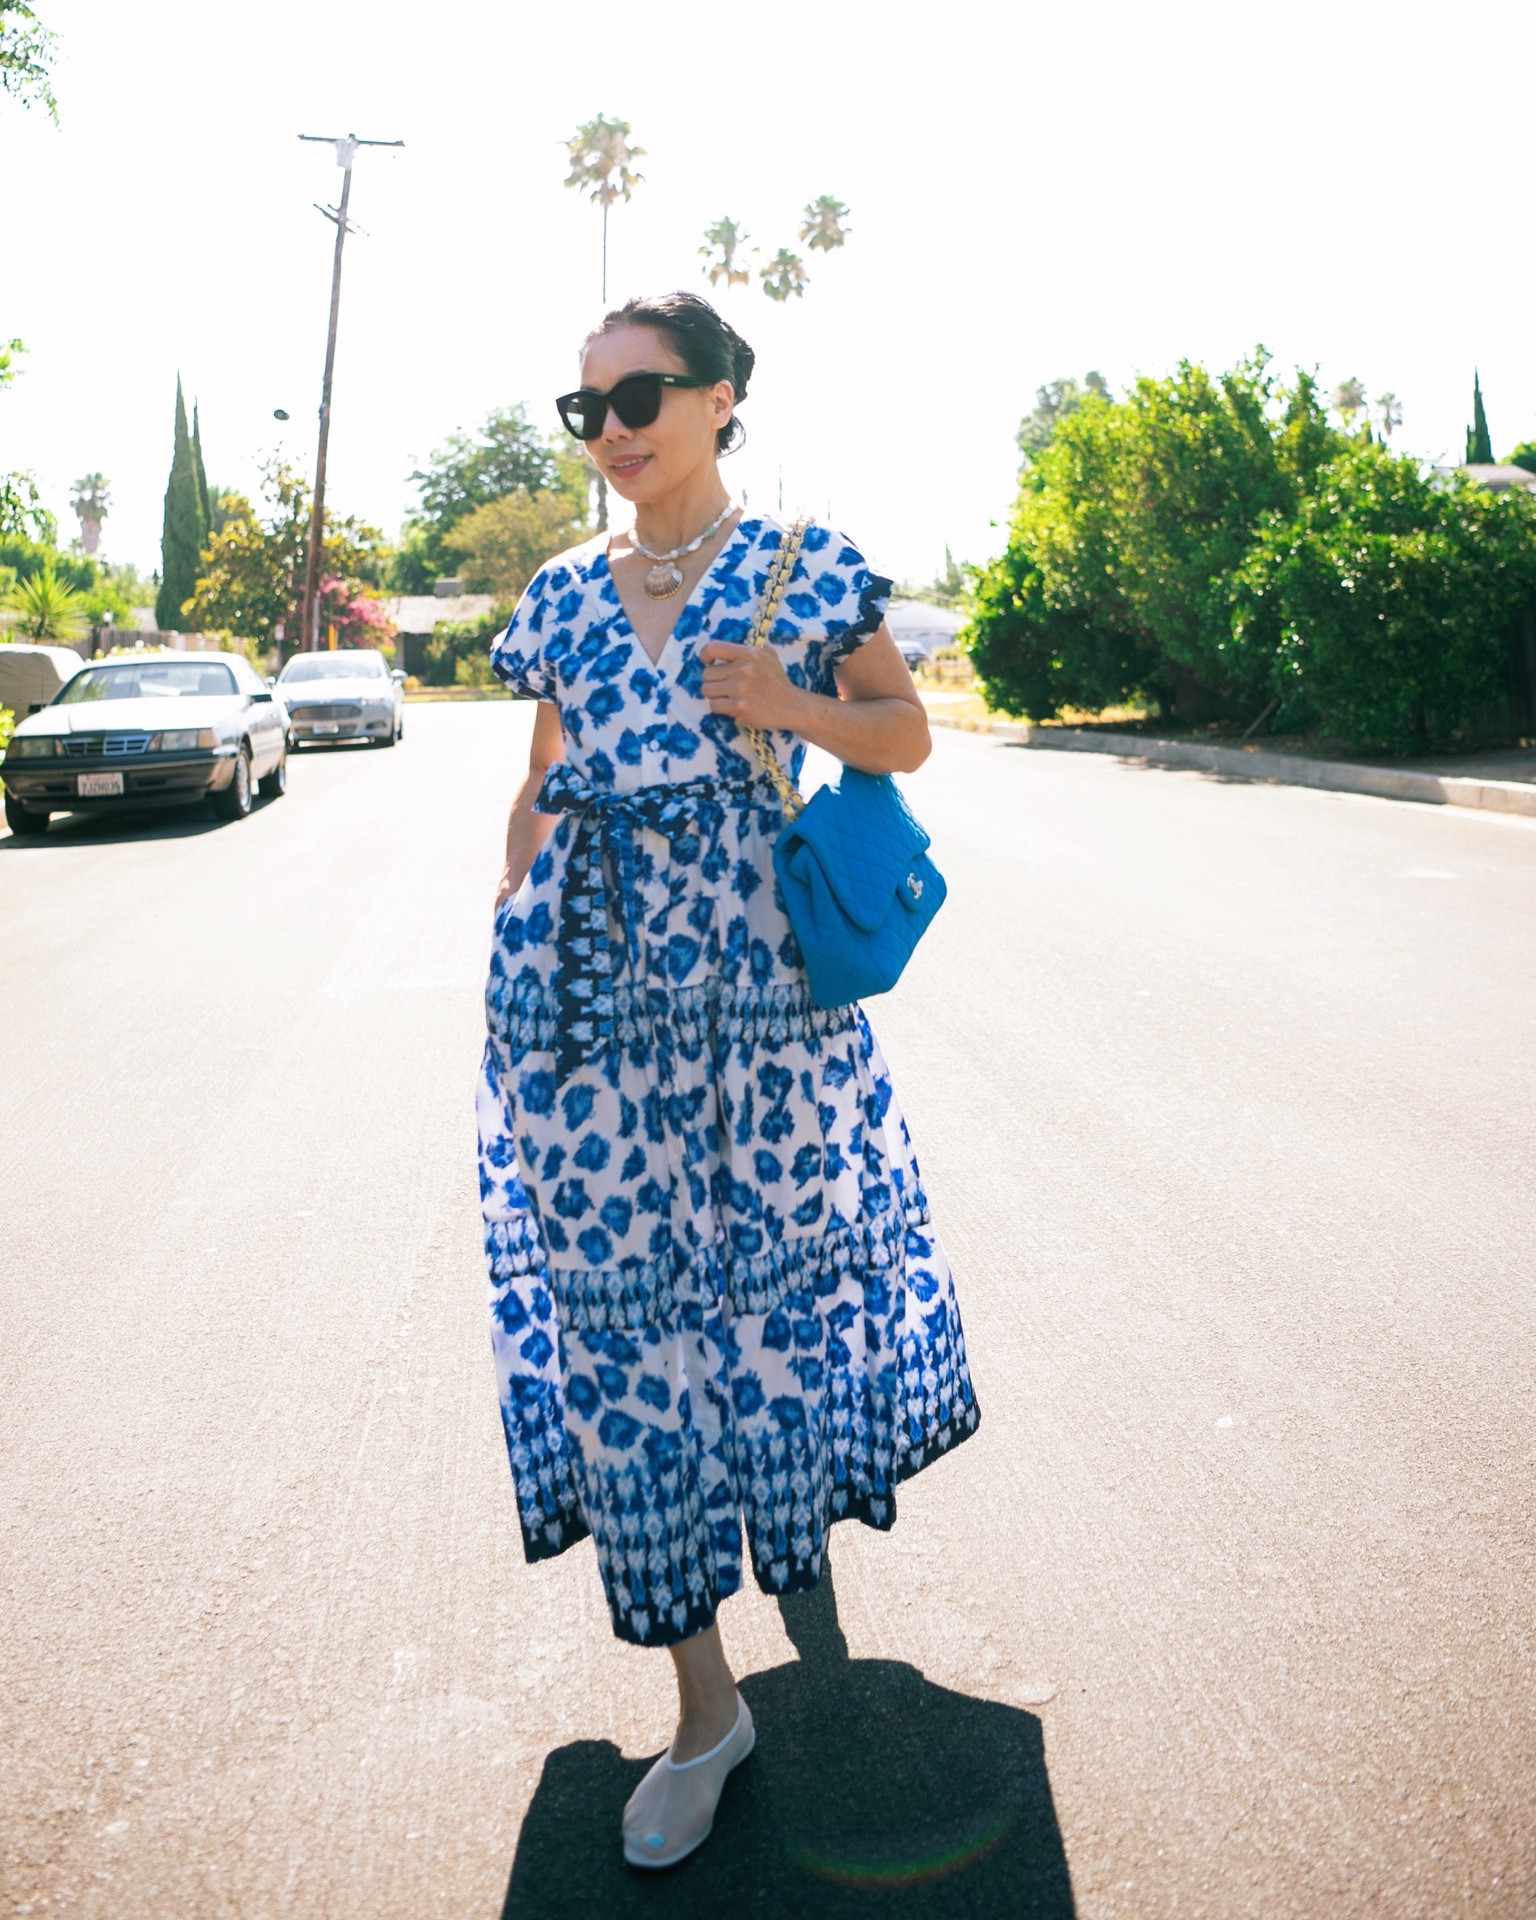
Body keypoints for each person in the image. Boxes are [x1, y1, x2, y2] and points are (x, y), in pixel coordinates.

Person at [478, 289, 979, 1869]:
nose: (614, 429)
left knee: (759, 1319)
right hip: (588, 1017)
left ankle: (778, 1529)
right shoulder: (562, 593)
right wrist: (508, 930)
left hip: (764, 1022)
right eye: (590, 408)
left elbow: (904, 736)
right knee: (625, 1340)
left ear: (720, 397)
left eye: (642, 395)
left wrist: (792, 707)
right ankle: (705, 1708)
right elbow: (542, 785)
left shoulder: (802, 564)